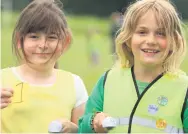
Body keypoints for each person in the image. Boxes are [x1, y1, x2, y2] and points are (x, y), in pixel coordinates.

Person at [78, 0, 188, 133]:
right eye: (142, 32)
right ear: (128, 38)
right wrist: (93, 122)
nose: (151, 41)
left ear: (174, 41)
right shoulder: (108, 81)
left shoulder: (183, 88)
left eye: (161, 33)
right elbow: (83, 128)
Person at [0, 0, 88, 133]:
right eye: (34, 37)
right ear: (19, 40)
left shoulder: (74, 84)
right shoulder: (2, 79)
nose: (42, 45)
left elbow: (84, 130)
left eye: (52, 37)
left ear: (65, 42)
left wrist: (75, 130)